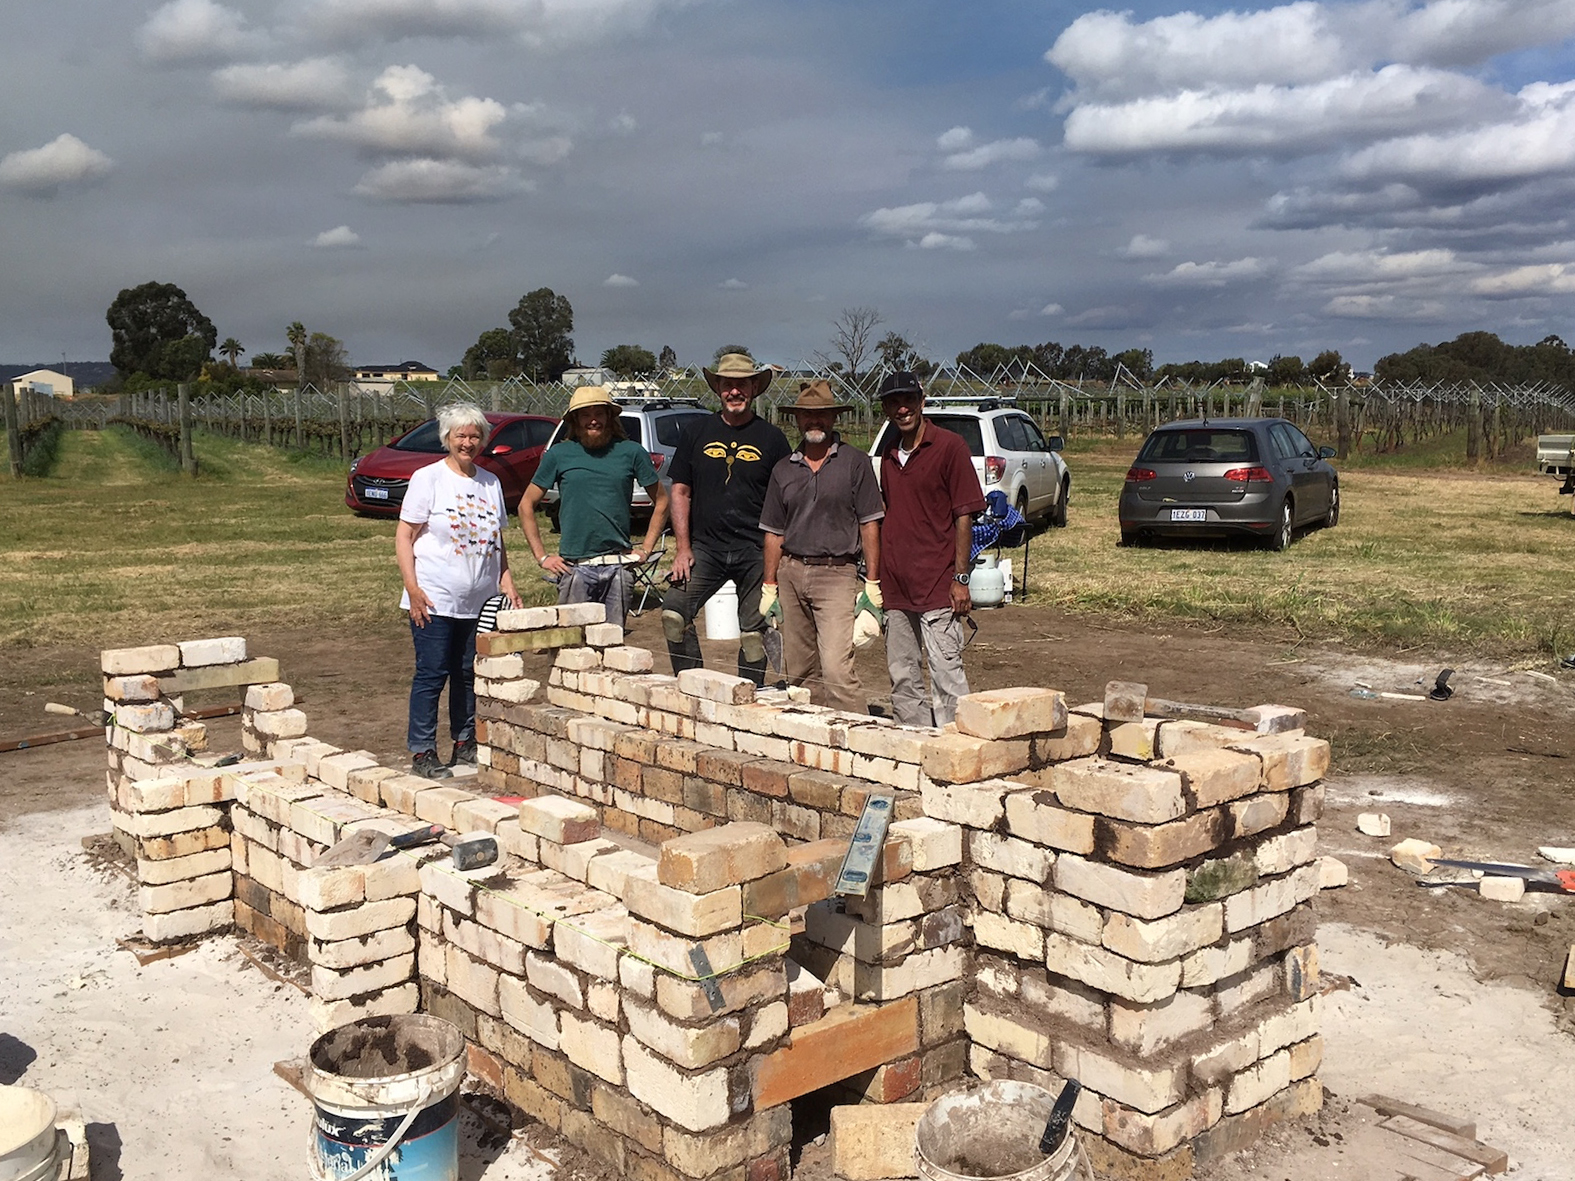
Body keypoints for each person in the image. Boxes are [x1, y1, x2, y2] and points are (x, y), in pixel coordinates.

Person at [395, 403, 522, 778]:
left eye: (474, 436)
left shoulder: (490, 482)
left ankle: (465, 743)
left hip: (478, 601)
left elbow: (497, 540)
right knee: (432, 673)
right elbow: (404, 536)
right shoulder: (428, 478)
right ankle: (422, 751)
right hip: (434, 597)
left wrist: (507, 581)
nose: (467, 443)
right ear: (446, 439)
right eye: (460, 436)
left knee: (468, 672)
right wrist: (412, 588)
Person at [662, 351, 792, 685]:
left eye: (742, 385)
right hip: (705, 548)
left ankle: (748, 696)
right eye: (727, 385)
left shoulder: (772, 439)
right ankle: (693, 685)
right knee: (674, 613)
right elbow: (680, 492)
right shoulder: (696, 432)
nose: (735, 391)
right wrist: (682, 548)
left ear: (754, 388)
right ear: (718, 388)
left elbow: (786, 499)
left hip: (755, 551)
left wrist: (778, 559)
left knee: (754, 636)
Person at [759, 380, 884, 712]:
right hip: (790, 572)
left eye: (822, 415)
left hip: (836, 573)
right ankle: (813, 734)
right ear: (797, 419)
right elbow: (773, 531)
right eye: (807, 415)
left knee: (837, 668)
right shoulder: (783, 469)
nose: (815, 421)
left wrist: (872, 584)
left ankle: (857, 734)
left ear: (834, 418)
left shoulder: (855, 462)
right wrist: (769, 585)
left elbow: (869, 523)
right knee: (800, 670)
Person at [876, 371, 986, 727]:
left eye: (908, 400)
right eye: (894, 403)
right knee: (903, 676)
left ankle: (957, 745)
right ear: (886, 409)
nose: (902, 409)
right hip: (896, 586)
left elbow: (964, 515)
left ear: (922, 402)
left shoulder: (950, 447)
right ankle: (915, 743)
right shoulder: (889, 453)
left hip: (938, 583)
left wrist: (961, 578)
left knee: (946, 675)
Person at [520, 386, 668, 630]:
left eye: (599, 413)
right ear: (575, 420)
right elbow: (526, 505)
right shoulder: (559, 454)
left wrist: (647, 549)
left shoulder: (631, 452)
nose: (593, 420)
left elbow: (662, 500)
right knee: (572, 643)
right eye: (585, 414)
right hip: (575, 568)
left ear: (609, 417)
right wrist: (542, 557)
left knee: (612, 643)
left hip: (618, 566)